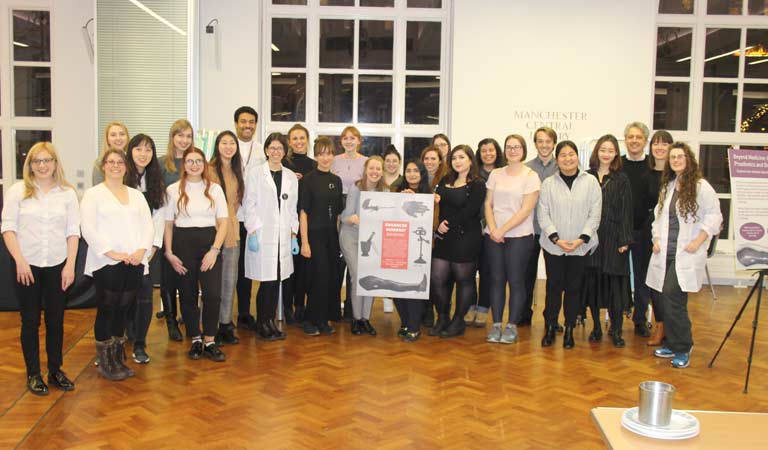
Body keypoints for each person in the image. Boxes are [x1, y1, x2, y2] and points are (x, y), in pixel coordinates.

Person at [2, 142, 79, 394]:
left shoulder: (67, 194)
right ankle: (33, 373)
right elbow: (8, 228)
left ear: (56, 163)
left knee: (56, 321)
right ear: (30, 165)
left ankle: (55, 370)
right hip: (27, 266)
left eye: (48, 160)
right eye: (38, 161)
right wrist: (20, 260)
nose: (43, 166)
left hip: (58, 265)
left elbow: (72, 232)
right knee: (30, 321)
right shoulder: (17, 191)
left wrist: (70, 265)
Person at [81, 149, 154, 380]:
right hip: (106, 261)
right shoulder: (93, 195)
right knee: (107, 308)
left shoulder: (136, 195)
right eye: (111, 162)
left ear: (126, 166)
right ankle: (105, 362)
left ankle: (116, 357)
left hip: (134, 260)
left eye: (120, 162)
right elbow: (88, 228)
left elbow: (148, 226)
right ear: (103, 166)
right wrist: (111, 253)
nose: (115, 166)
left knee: (124, 308)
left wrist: (141, 250)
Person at [647, 142, 722, 369]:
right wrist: (657, 239)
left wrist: (698, 241)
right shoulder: (668, 187)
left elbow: (715, 217)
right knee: (663, 297)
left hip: (686, 252)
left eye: (680, 156)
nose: (676, 160)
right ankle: (672, 342)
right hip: (666, 252)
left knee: (671, 295)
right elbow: (659, 218)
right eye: (673, 158)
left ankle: (683, 346)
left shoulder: (701, 186)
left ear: (689, 159)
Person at [164, 148, 229, 362]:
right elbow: (168, 225)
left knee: (212, 295)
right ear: (184, 165)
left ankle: (209, 340)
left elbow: (223, 223)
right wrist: (169, 253)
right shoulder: (173, 190)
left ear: (204, 164)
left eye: (198, 160)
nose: (194, 165)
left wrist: (214, 250)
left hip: (209, 244)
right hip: (182, 246)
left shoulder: (215, 189)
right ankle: (195, 340)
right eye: (190, 161)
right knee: (188, 295)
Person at [537, 141, 601, 349]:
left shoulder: (591, 182)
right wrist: (556, 238)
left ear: (577, 156)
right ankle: (549, 327)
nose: (567, 158)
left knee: (574, 289)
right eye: (563, 155)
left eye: (571, 154)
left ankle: (570, 329)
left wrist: (582, 239)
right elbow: (543, 213)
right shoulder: (548, 183)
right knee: (553, 288)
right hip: (554, 246)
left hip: (580, 246)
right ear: (557, 159)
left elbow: (595, 214)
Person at [484, 135, 540, 344]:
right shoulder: (496, 174)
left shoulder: (530, 176)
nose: (513, 150)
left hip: (519, 236)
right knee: (496, 280)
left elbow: (526, 210)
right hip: (494, 235)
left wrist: (503, 230)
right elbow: (488, 204)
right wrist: (493, 228)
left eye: (517, 147)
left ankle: (512, 326)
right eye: (509, 147)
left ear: (523, 150)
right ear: (504, 151)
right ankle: (497, 324)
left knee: (516, 281)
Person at [244, 133, 299, 340]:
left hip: (283, 235)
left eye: (280, 149)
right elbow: (249, 205)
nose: (276, 152)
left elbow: (292, 209)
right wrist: (254, 232)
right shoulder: (256, 173)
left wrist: (293, 235)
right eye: (272, 148)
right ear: (266, 150)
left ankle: (269, 322)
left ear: (285, 152)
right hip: (263, 233)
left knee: (276, 280)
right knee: (266, 281)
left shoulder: (291, 177)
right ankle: (262, 323)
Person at [582, 135, 633, 348]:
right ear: (597, 152)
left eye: (611, 150)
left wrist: (624, 239)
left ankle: (617, 329)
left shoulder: (621, 179)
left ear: (616, 154)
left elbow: (627, 210)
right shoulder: (586, 176)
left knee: (615, 287)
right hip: (592, 236)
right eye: (602, 149)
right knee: (593, 284)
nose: (606, 154)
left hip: (614, 237)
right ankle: (595, 327)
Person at [430, 145, 487, 338]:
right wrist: (437, 213)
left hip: (466, 237)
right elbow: (441, 205)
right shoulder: (446, 180)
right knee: (437, 278)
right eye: (454, 158)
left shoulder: (478, 184)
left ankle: (458, 320)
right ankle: (443, 317)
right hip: (444, 237)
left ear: (471, 160)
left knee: (464, 280)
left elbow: (470, 210)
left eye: (462, 157)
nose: (457, 161)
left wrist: (449, 224)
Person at [124, 134, 166, 364]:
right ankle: (120, 341)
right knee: (121, 300)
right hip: (121, 251)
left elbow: (158, 218)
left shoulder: (156, 181)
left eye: (148, 150)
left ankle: (140, 343)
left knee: (144, 299)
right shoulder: (121, 179)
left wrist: (150, 248)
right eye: (139, 149)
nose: (143, 154)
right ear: (130, 151)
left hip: (145, 252)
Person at [300, 137, 344, 336]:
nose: (325, 158)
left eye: (329, 153)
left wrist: (339, 240)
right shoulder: (308, 180)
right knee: (318, 277)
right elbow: (303, 213)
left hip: (331, 236)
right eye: (321, 153)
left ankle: (323, 319)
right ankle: (310, 320)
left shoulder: (336, 180)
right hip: (314, 235)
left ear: (333, 155)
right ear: (316, 155)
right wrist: (305, 242)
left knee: (330, 279)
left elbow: (337, 215)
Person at [340, 156, 388, 336]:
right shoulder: (356, 187)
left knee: (370, 276)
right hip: (351, 236)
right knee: (358, 275)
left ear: (382, 172)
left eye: (378, 169)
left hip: (371, 239)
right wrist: (350, 219)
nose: (375, 172)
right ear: (366, 169)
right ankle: (356, 318)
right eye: (372, 168)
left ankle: (365, 319)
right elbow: (345, 216)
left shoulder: (385, 191)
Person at [158, 119, 194, 341]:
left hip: (190, 229)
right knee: (168, 276)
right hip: (167, 226)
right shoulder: (162, 164)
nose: (184, 140)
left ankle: (187, 315)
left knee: (188, 274)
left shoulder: (196, 161)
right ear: (172, 138)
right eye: (180, 135)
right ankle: (171, 320)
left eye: (188, 136)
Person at [208, 131, 245, 345]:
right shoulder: (210, 170)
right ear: (217, 146)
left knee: (230, 280)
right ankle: (210, 326)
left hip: (232, 230)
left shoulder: (237, 171)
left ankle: (225, 324)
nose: (228, 146)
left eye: (232, 143)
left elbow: (237, 202)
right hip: (212, 230)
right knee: (213, 283)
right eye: (224, 143)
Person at [466, 137, 505, 328]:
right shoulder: (473, 175)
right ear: (478, 154)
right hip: (474, 230)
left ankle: (483, 307)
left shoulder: (504, 173)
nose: (488, 154)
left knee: (489, 271)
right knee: (471, 269)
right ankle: (470, 305)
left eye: (491, 150)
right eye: (484, 151)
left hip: (496, 229)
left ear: (497, 152)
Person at [621, 121, 655, 338]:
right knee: (618, 275)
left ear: (645, 141)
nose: (634, 141)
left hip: (644, 232)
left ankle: (640, 319)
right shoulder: (617, 165)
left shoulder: (652, 167)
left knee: (642, 277)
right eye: (630, 137)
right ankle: (618, 314)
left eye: (638, 137)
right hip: (619, 232)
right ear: (625, 140)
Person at [523, 127, 559, 328]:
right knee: (526, 275)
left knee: (554, 279)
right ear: (535, 144)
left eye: (548, 141)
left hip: (555, 232)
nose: (544, 145)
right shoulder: (526, 169)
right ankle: (523, 315)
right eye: (540, 141)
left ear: (553, 143)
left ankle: (551, 319)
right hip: (530, 230)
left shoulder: (563, 166)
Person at [392, 160, 432, 342]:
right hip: (398, 248)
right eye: (408, 171)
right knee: (397, 288)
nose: (412, 174)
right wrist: (402, 200)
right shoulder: (396, 192)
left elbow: (434, 223)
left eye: (416, 170)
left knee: (414, 288)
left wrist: (415, 199)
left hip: (419, 250)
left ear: (421, 173)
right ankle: (406, 323)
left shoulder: (430, 195)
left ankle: (414, 327)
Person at [332, 126, 368, 321]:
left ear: (359, 140)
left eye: (352, 138)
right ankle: (334, 308)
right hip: (336, 209)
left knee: (353, 262)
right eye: (345, 138)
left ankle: (350, 309)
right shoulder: (335, 160)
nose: (349, 141)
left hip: (356, 211)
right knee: (337, 261)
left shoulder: (365, 162)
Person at [233, 106, 264, 332]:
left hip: (252, 219)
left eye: (251, 122)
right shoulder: (227, 147)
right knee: (230, 267)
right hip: (230, 218)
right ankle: (225, 313)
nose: (247, 126)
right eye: (243, 121)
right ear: (236, 124)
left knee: (248, 267)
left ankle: (244, 313)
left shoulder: (262, 151)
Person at [282, 124, 316, 325]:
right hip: (286, 223)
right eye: (294, 138)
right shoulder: (283, 164)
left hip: (307, 222)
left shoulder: (313, 165)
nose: (299, 142)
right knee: (288, 267)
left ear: (307, 140)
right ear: (289, 142)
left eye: (302, 138)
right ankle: (286, 306)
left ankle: (300, 305)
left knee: (304, 268)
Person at [646, 130, 673, 346]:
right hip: (646, 235)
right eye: (656, 143)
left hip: (668, 238)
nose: (660, 147)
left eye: (664, 144)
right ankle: (660, 325)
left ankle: (669, 327)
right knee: (653, 285)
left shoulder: (676, 174)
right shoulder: (646, 171)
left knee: (669, 287)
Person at [419, 145, 448, 327]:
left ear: (440, 161)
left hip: (440, 236)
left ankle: (441, 313)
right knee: (424, 275)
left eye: (433, 159)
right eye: (426, 159)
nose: (429, 162)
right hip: (421, 236)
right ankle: (426, 310)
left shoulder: (446, 180)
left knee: (437, 278)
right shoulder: (418, 179)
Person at [380, 145, 402, 314]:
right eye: (388, 160)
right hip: (378, 227)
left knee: (394, 264)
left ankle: (392, 297)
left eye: (395, 161)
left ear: (399, 163)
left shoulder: (404, 182)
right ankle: (383, 297)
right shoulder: (377, 179)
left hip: (397, 229)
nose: (391, 164)